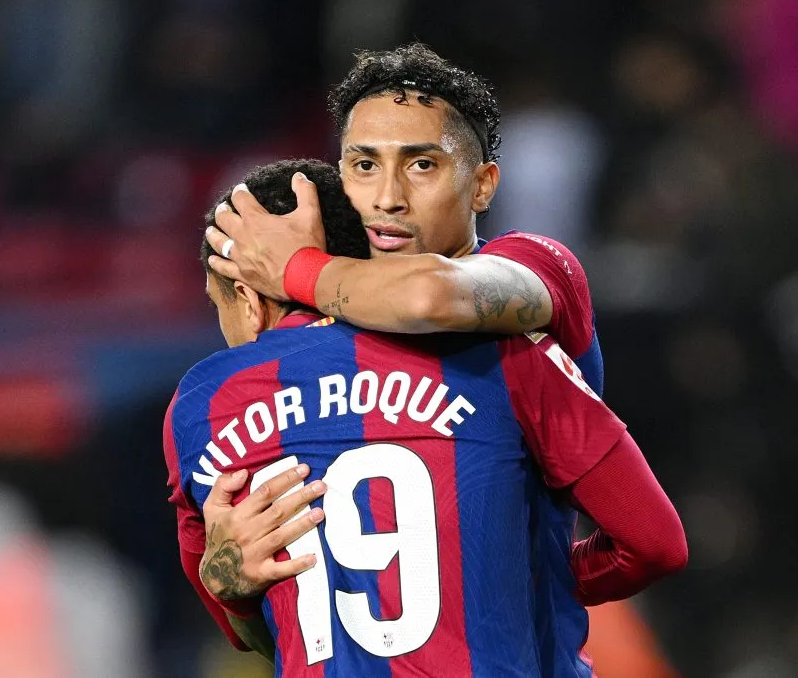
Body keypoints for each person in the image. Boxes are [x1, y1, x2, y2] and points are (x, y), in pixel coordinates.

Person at [202, 43, 640, 672]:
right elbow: (296, 625)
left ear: (483, 184)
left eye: (422, 165)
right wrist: (233, 583)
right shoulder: (319, 348)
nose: (387, 197)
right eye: (363, 166)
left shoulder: (536, 267)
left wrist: (499, 590)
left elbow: (430, 295)